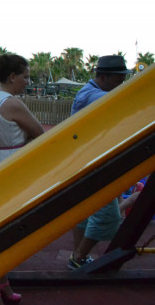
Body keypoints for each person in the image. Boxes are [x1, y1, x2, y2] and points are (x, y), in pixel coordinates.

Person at [0, 54, 44, 305]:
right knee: (8, 233)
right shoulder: (12, 103)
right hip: (11, 168)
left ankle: (2, 282)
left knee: (1, 228)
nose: (28, 82)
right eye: (25, 77)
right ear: (12, 76)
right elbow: (39, 132)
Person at [67, 55, 132, 270]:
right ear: (102, 77)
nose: (121, 85)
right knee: (108, 215)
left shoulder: (92, 92)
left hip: (86, 160)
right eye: (118, 80)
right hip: (91, 163)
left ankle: (77, 258)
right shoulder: (92, 95)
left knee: (84, 212)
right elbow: (123, 101)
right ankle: (79, 257)